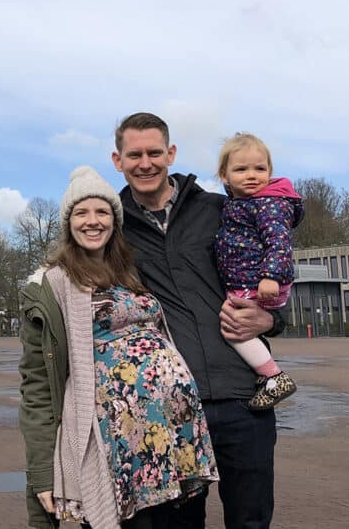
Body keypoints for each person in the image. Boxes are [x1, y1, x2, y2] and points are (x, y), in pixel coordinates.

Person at [111, 112, 286, 529]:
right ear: (118, 160)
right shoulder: (112, 225)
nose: (146, 162)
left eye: (155, 152)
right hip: (170, 403)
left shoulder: (220, 210)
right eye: (134, 154)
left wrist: (271, 321)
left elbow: (273, 271)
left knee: (250, 519)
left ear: (171, 153)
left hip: (241, 396)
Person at [19, 166, 218, 529]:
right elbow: (37, 387)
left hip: (173, 436)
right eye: (81, 213)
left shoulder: (132, 271)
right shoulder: (50, 285)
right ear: (68, 223)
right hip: (117, 447)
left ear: (114, 220)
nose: (92, 221)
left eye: (102, 212)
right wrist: (41, 473)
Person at [215, 133, 303, 410]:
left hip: (260, 281)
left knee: (233, 328)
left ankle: (273, 376)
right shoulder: (239, 204)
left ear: (270, 171)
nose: (252, 176)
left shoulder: (269, 204)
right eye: (241, 169)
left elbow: (279, 242)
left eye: (260, 169)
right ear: (224, 176)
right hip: (250, 278)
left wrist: (271, 276)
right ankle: (261, 373)